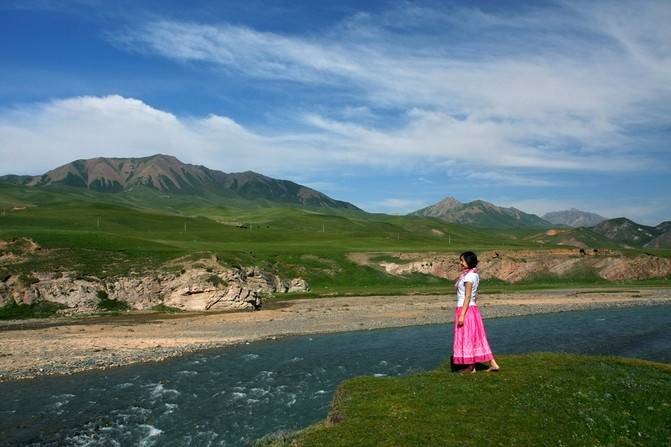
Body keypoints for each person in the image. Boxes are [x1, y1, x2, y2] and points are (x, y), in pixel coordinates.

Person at [453, 251, 500, 373]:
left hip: (466, 309)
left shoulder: (469, 276)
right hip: (471, 309)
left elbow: (467, 296)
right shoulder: (473, 275)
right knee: (474, 337)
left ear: (468, 261)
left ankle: (472, 366)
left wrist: (462, 315)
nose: (460, 263)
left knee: (468, 337)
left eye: (462, 260)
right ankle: (473, 366)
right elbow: (474, 295)